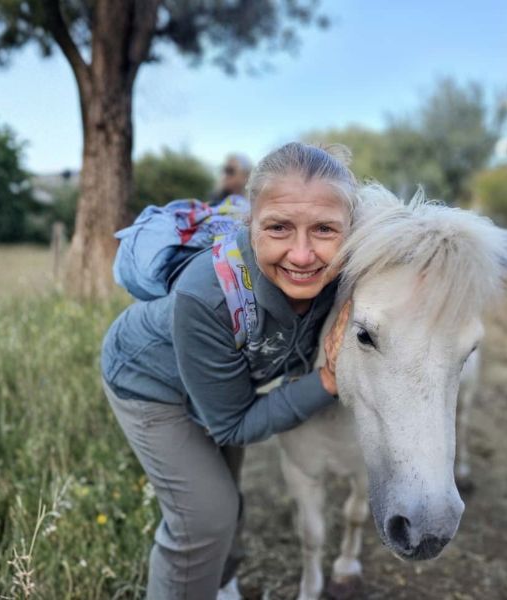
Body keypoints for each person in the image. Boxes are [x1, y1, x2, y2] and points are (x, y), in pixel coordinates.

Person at [101, 142, 356, 599]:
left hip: (227, 381)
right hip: (149, 383)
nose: (302, 255)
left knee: (228, 497)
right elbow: (233, 423)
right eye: (278, 227)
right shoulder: (208, 295)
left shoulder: (345, 274)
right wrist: (326, 382)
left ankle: (221, 584)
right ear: (250, 224)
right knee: (205, 515)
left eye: (324, 229)